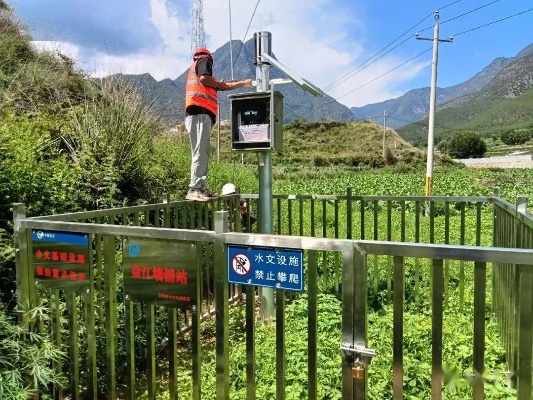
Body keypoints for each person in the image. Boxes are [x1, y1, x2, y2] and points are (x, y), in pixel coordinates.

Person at [185, 47, 253, 202]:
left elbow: (222, 85)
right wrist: (236, 83)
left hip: (200, 115)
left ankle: (200, 187)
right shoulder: (203, 61)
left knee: (203, 152)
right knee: (200, 152)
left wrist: (242, 83)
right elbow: (205, 78)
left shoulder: (206, 77)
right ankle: (195, 188)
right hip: (199, 113)